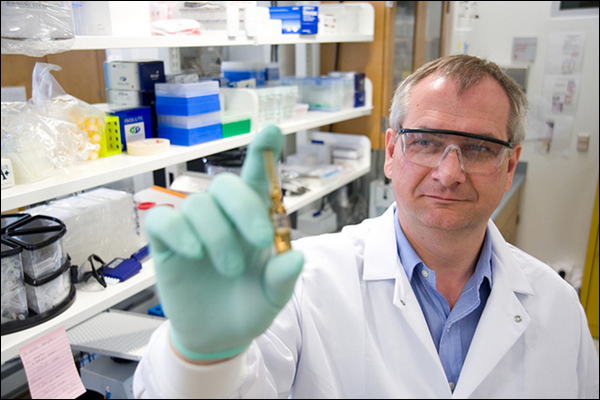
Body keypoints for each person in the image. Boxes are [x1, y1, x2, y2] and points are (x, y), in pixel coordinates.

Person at [133, 55, 599, 398]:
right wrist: (201, 357)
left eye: (477, 148)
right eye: (427, 142)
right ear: (392, 151)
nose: (449, 172)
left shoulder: (559, 310)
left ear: (509, 164)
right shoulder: (303, 284)